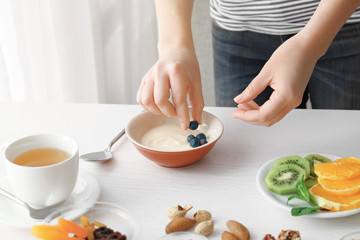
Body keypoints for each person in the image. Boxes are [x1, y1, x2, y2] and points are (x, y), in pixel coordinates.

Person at [137, 0, 360, 128]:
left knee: (345, 148)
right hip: (236, 34)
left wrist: (310, 43)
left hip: (342, 24)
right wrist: (175, 46)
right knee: (246, 151)